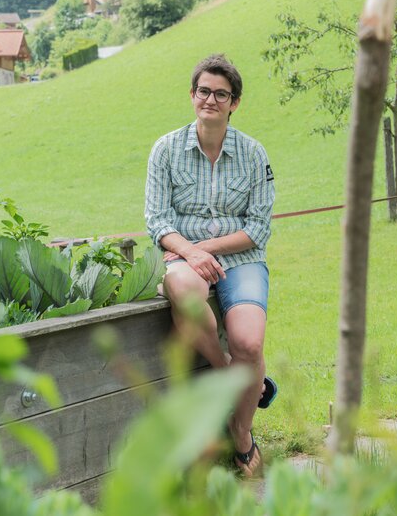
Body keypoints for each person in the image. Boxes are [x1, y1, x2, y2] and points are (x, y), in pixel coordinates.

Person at [144, 54, 276, 477]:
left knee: (250, 345)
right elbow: (157, 220)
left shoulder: (254, 155)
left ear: (234, 103)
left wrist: (204, 247)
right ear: (192, 95)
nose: (211, 100)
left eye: (221, 94)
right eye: (204, 91)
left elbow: (257, 229)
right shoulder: (165, 150)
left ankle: (241, 431)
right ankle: (233, 382)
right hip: (184, 258)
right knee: (182, 290)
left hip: (241, 259)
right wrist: (190, 253)